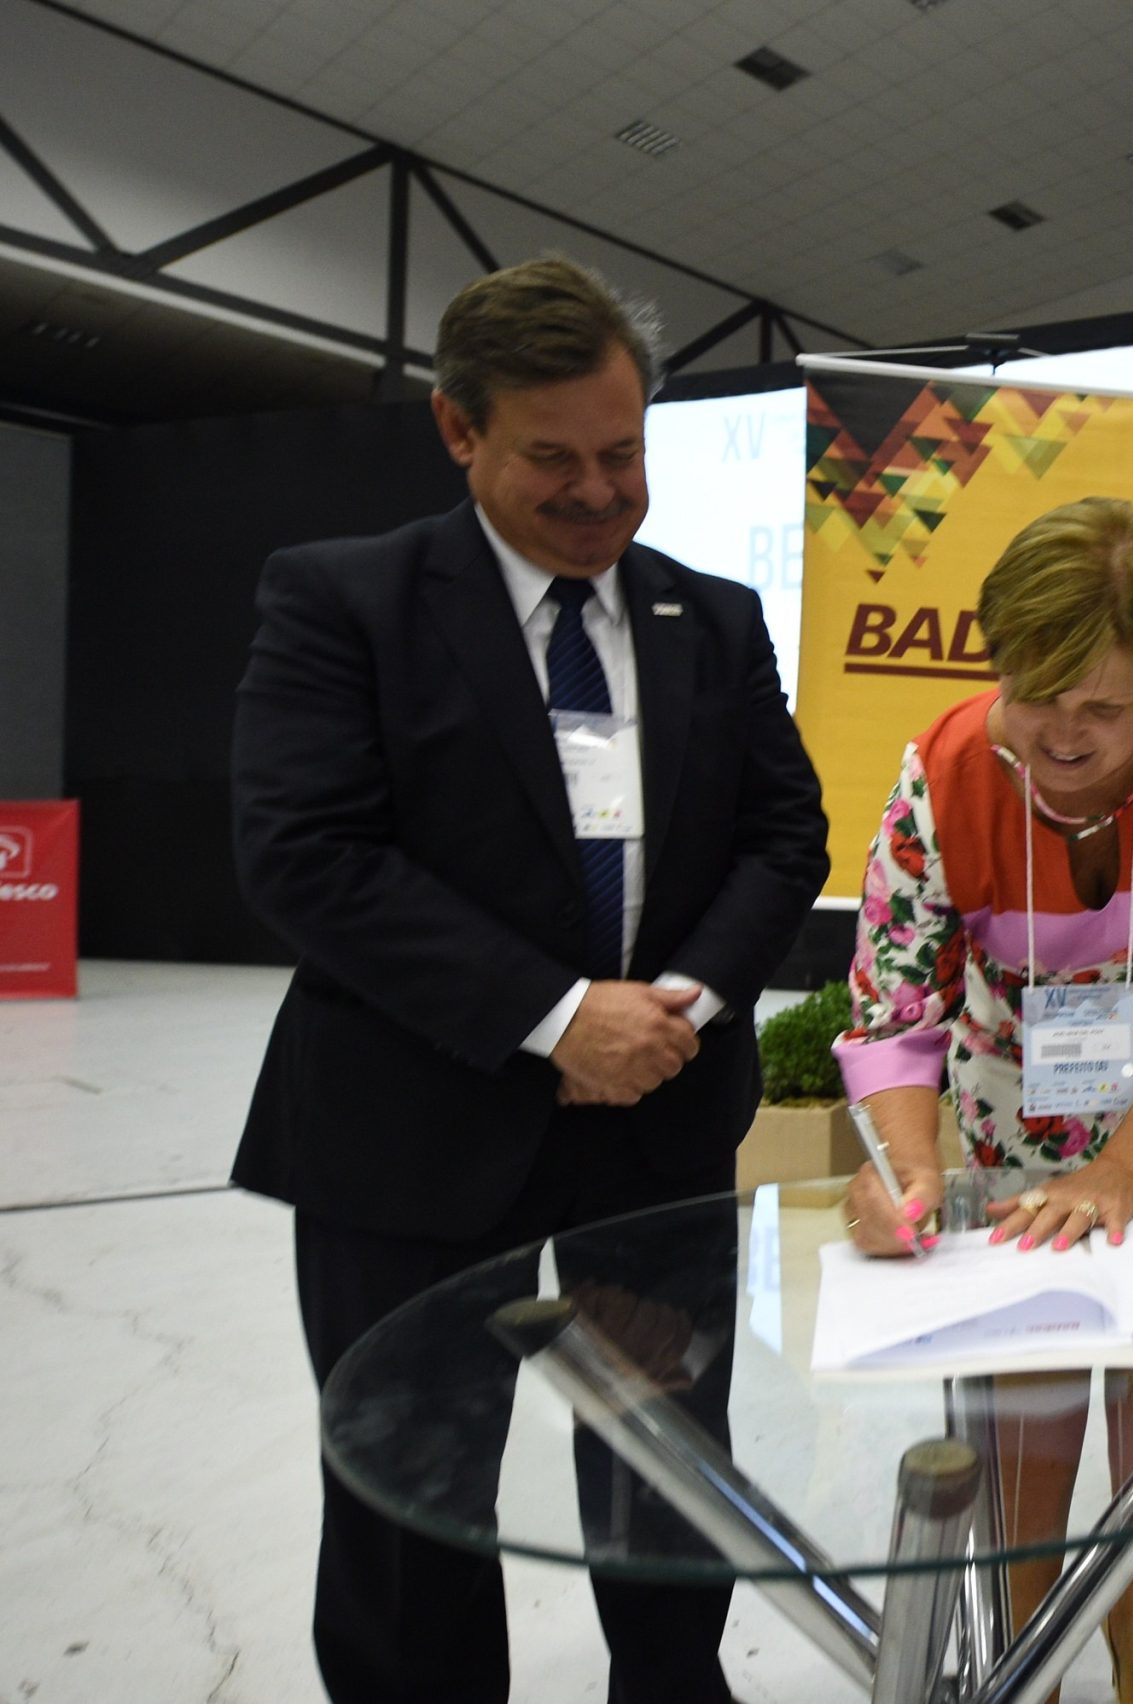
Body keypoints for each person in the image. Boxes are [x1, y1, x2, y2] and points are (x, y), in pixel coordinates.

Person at [231, 256, 830, 1703]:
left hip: (662, 1127)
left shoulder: (715, 617)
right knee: (410, 1476)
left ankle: (674, 1687)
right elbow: (306, 855)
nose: (598, 492)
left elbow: (782, 829)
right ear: (458, 432)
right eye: (551, 458)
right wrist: (558, 1019)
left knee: (665, 1446)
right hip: (411, 1131)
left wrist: (682, 1000)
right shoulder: (343, 602)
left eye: (622, 454)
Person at [831, 495, 1133, 1704]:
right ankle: (1024, 1652)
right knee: (1028, 1391)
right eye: (1035, 698)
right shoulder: (941, 767)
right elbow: (893, 1004)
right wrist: (906, 1171)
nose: (1063, 736)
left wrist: (1121, 1173)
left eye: (1103, 706)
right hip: (1006, 1095)